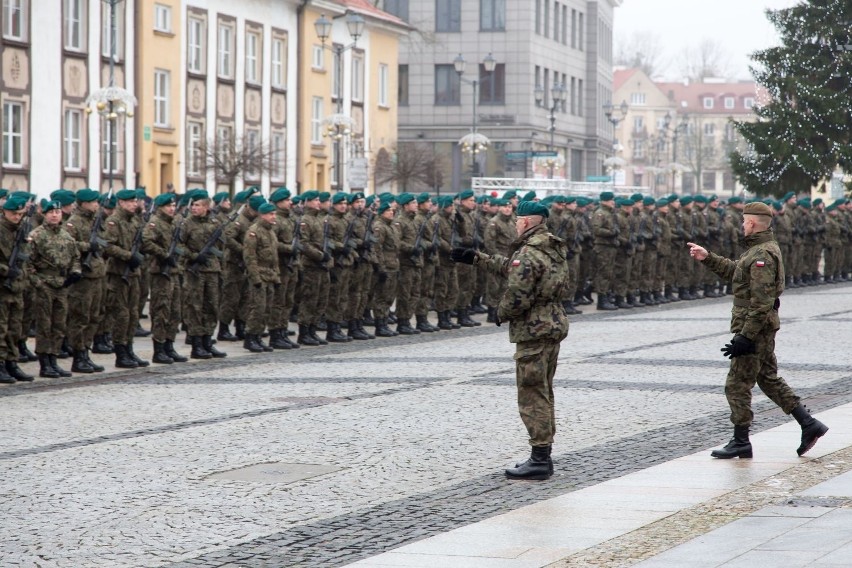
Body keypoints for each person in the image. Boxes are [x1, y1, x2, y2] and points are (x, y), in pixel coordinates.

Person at [687, 201, 828, 459]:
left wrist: (745, 336)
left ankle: (741, 441)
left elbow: (761, 302)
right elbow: (737, 274)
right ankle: (809, 424)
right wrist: (708, 258)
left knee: (737, 384)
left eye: (743, 221)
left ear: (751, 223)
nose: (742, 225)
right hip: (760, 327)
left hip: (756, 329)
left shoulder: (762, 254)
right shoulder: (758, 250)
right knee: (767, 379)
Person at [451, 200, 569, 480]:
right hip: (552, 323)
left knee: (532, 393)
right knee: (544, 390)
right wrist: (478, 258)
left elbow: (518, 291)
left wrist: (501, 312)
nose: (516, 224)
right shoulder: (552, 247)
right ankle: (543, 455)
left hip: (533, 329)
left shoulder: (529, 252)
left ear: (527, 222)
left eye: (519, 220)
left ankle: (540, 458)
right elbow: (515, 270)